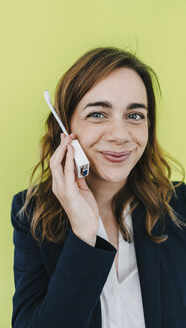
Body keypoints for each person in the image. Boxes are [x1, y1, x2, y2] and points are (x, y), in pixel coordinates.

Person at [10, 47, 186, 328]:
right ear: (65, 129)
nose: (120, 135)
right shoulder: (31, 214)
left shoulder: (179, 205)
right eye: (98, 114)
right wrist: (83, 236)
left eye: (135, 116)